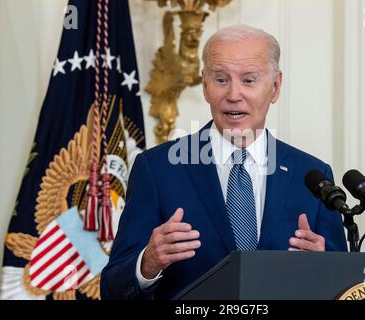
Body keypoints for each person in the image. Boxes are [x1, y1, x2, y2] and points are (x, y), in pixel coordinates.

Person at [100, 25, 347, 300]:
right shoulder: (157, 169)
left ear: (275, 87)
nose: (233, 94)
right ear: (205, 85)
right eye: (220, 80)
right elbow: (112, 290)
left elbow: (345, 289)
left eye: (249, 80)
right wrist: (147, 264)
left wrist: (325, 269)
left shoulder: (312, 176)